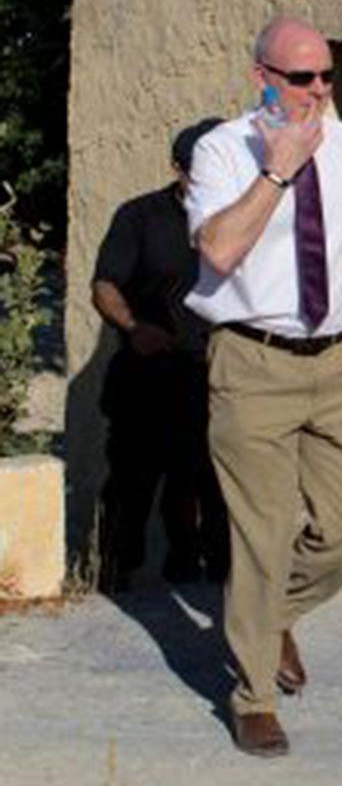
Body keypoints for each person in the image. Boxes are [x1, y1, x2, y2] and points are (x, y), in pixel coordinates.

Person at [185, 17, 342, 759]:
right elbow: (218, 249)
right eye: (301, 78)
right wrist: (276, 172)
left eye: (326, 77)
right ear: (263, 77)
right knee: (262, 532)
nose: (318, 90)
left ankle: (267, 614)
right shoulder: (224, 151)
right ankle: (252, 694)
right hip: (254, 361)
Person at [91, 119, 230, 589]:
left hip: (217, 377)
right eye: (202, 172)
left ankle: (204, 574)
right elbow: (105, 283)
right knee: (133, 481)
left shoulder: (243, 218)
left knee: (213, 486)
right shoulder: (139, 217)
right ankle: (115, 571)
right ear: (178, 169)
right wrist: (133, 327)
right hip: (148, 375)